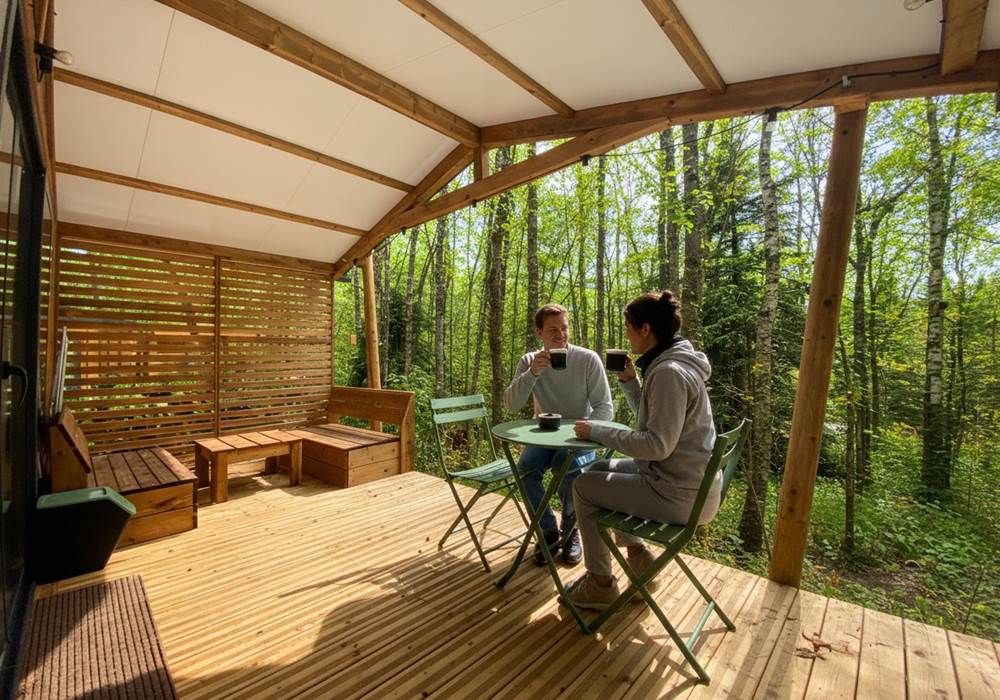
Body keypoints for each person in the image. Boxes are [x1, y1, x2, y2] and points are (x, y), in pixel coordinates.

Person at [566, 290, 718, 610]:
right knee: (593, 472)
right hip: (687, 483)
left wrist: (598, 431)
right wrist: (631, 383)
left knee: (582, 487)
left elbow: (656, 445)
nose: (628, 336)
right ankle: (638, 560)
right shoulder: (672, 364)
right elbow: (657, 426)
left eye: (629, 328)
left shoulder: (668, 373)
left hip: (679, 495)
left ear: (645, 329)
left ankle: (600, 584)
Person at [503, 303, 613, 565]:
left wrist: (587, 430)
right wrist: (533, 374)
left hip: (579, 437)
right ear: (539, 332)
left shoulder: (587, 359)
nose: (560, 335)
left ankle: (571, 529)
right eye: (552, 329)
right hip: (543, 435)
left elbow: (605, 408)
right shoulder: (530, 361)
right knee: (526, 469)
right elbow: (511, 405)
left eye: (564, 328)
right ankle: (548, 531)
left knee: (568, 466)